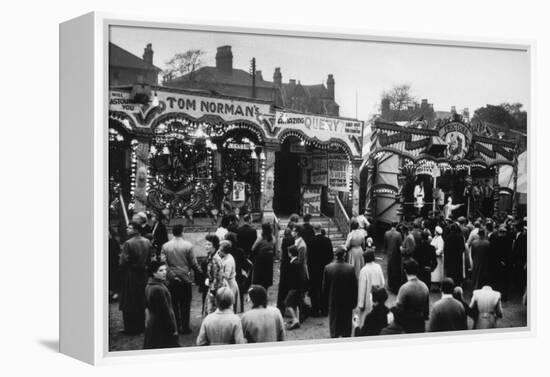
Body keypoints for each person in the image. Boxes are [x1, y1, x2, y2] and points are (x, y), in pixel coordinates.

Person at [160, 224, 202, 334]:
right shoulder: (188, 245)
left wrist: (171, 274)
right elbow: (193, 263)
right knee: (185, 303)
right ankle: (185, 326)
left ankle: (176, 326)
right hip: (185, 277)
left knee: (173, 303)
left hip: (171, 278)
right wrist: (201, 272)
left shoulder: (165, 246)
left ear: (172, 233)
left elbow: (163, 262)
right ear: (182, 232)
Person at [119, 221, 152, 334]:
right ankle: (141, 325)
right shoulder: (147, 241)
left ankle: (131, 328)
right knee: (140, 300)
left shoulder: (128, 243)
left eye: (129, 228)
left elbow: (123, 261)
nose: (127, 230)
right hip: (143, 274)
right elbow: (150, 259)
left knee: (129, 301)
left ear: (136, 230)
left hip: (131, 274)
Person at [322, 246, 358, 338]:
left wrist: (325, 304)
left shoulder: (328, 268)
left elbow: (325, 288)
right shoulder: (350, 268)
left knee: (334, 325)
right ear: (344, 255)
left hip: (333, 302)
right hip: (347, 302)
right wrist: (354, 302)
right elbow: (354, 287)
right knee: (346, 326)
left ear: (335, 255)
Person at [143, 261, 179, 349]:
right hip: (161, 327)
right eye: (160, 270)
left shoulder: (151, 285)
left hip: (154, 324)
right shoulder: (157, 289)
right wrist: (173, 329)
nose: (164, 272)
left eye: (165, 270)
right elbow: (165, 312)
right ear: (153, 273)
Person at [394, 259, 430, 333]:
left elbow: (398, 308)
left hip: (407, 324)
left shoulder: (404, 288)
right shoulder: (424, 286)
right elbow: (426, 310)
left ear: (405, 271)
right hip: (420, 324)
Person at [307, 223, 334, 316]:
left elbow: (309, 258)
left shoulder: (310, 241)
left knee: (315, 289)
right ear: (321, 229)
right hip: (325, 268)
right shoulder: (327, 240)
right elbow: (331, 256)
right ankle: (325, 310)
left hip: (314, 269)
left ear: (314, 230)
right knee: (325, 288)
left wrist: (310, 269)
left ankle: (315, 310)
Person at [357, 250, 385, 328]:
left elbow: (362, 289)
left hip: (368, 299)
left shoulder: (364, 270)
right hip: (378, 297)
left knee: (367, 320)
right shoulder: (378, 267)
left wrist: (361, 304)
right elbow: (383, 282)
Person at [224, 232, 248, 313]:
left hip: (226, 279)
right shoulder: (240, 251)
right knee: (237, 303)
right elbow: (246, 265)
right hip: (237, 278)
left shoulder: (223, 253)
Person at [284, 245, 305, 330]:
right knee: (295, 304)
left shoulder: (293, 264)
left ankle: (295, 319)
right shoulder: (298, 262)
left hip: (294, 287)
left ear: (290, 253)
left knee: (288, 303)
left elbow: (292, 277)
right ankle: (295, 319)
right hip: (299, 287)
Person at [204, 234, 225, 314]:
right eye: (206, 244)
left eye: (209, 244)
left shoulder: (215, 259)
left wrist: (213, 292)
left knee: (213, 312)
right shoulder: (211, 257)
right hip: (212, 287)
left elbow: (218, 277)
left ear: (214, 246)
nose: (206, 246)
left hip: (216, 290)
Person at [251, 222, 275, 291]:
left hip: (261, 258)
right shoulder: (272, 238)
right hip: (269, 258)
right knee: (267, 276)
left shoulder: (260, 238)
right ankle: (265, 290)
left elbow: (253, 248)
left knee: (259, 276)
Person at [218, 240, 240, 314]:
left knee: (229, 305)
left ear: (224, 251)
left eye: (220, 250)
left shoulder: (229, 260)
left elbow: (227, 275)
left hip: (230, 285)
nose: (218, 252)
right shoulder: (226, 257)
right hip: (228, 283)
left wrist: (217, 271)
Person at [277, 226, 296, 314]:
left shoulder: (283, 240)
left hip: (284, 263)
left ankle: (281, 307)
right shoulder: (293, 239)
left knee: (282, 286)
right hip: (290, 262)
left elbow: (280, 251)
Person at [385, 222, 404, 294]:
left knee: (389, 269)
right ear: (396, 226)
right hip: (396, 254)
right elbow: (400, 245)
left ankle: (390, 285)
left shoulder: (386, 233)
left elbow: (385, 245)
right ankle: (395, 286)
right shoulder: (398, 234)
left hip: (389, 254)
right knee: (396, 270)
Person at [108, 227, 121, 301]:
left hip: (113, 264)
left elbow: (117, 252)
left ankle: (113, 293)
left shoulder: (113, 241)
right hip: (111, 264)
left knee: (113, 279)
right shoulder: (113, 241)